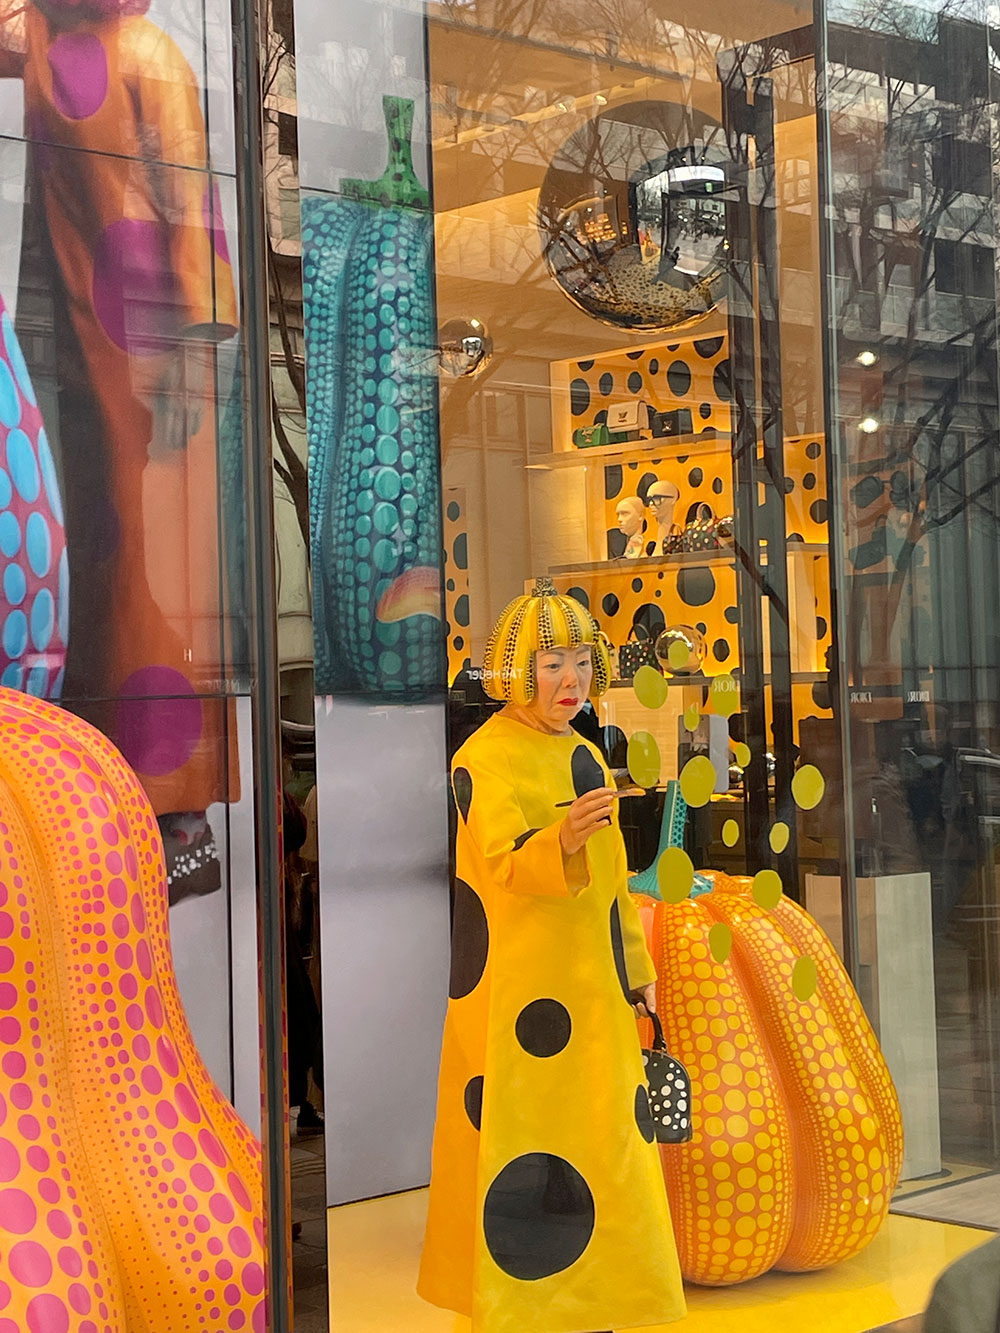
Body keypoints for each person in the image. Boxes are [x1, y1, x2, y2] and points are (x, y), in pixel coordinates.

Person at [418, 577, 685, 1333]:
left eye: (580, 662)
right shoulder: (482, 758)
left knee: (606, 1141)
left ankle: (607, 1296)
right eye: (551, 664)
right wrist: (560, 839)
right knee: (527, 1139)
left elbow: (611, 883)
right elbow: (501, 860)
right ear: (516, 669)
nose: (571, 680)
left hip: (592, 992)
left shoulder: (586, 754)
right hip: (517, 994)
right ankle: (523, 1306)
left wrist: (637, 973)